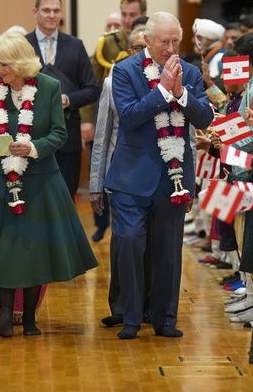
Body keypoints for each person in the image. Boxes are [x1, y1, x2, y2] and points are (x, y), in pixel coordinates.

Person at [0, 32, 98, 338]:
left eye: (3, 64)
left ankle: (29, 320)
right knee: (3, 249)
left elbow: (59, 133)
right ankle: (4, 319)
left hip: (40, 179)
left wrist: (32, 148)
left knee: (35, 250)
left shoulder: (49, 87)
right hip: (1, 179)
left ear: (20, 62)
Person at [105, 12, 213, 339]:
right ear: (147, 41)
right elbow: (129, 116)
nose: (170, 48)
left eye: (175, 41)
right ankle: (131, 318)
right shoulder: (125, 71)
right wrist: (164, 91)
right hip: (130, 177)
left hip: (173, 178)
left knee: (168, 251)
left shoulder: (190, 72)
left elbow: (205, 118)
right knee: (129, 242)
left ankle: (164, 318)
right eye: (164, 41)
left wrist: (182, 94)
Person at [90, 27, 149, 326]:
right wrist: (95, 185)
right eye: (136, 48)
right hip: (122, 173)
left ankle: (149, 307)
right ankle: (122, 308)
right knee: (124, 243)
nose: (141, 54)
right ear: (128, 51)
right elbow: (101, 136)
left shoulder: (169, 79)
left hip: (159, 175)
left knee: (153, 246)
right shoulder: (114, 80)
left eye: (146, 48)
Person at [25, 0, 100, 200]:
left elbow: (92, 89)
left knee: (65, 198)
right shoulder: (23, 45)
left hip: (68, 133)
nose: (52, 15)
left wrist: (67, 100)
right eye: (46, 10)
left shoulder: (75, 45)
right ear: (35, 12)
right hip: (31, 133)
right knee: (34, 199)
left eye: (56, 10)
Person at [91, 0, 147, 84]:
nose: (127, 20)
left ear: (143, 15)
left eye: (132, 15)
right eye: (124, 14)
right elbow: (94, 80)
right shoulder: (107, 42)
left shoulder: (152, 41)